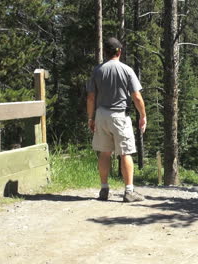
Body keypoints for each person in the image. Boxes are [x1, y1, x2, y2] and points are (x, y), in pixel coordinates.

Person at [86, 37, 146, 202]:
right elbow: (137, 96)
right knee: (125, 152)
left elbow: (91, 97)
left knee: (105, 153)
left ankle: (104, 189)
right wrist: (143, 115)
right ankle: (129, 191)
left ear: (105, 52)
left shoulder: (98, 70)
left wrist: (91, 118)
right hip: (120, 116)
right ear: (119, 51)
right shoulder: (126, 70)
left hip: (101, 114)